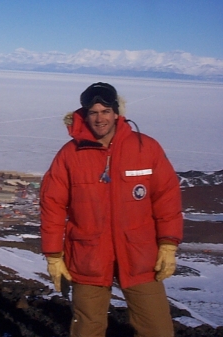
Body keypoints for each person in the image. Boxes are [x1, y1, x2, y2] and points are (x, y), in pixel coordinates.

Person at [40, 82, 183, 337]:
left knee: (157, 328)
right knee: (87, 328)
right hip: (88, 256)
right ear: (83, 115)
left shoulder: (145, 147)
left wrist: (168, 244)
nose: (100, 118)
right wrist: (53, 255)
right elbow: (52, 204)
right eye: (93, 112)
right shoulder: (70, 154)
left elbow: (166, 197)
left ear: (117, 112)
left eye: (105, 111)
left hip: (140, 255)